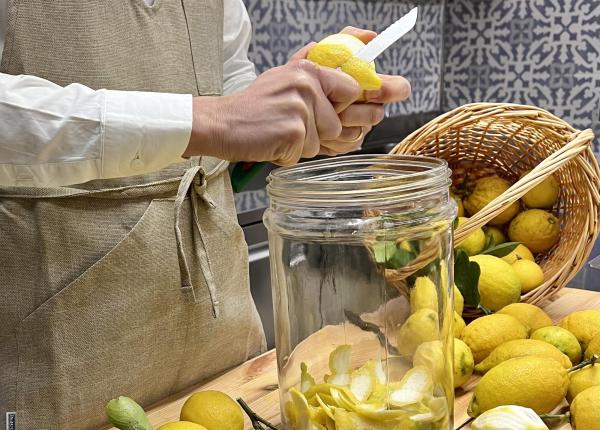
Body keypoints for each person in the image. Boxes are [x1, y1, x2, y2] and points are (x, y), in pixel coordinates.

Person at [0, 0, 411, 428]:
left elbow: (224, 76)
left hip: (224, 336)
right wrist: (212, 120)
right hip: (63, 343)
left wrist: (298, 108)